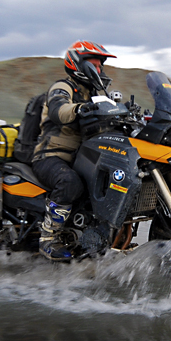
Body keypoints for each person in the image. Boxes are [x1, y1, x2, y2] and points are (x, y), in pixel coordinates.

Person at [32, 40, 115, 260]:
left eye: (100, 66)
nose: (99, 70)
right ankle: (49, 238)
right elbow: (59, 110)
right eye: (94, 65)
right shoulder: (63, 87)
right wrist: (79, 108)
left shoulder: (97, 94)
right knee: (70, 182)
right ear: (79, 64)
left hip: (82, 158)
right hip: (51, 156)